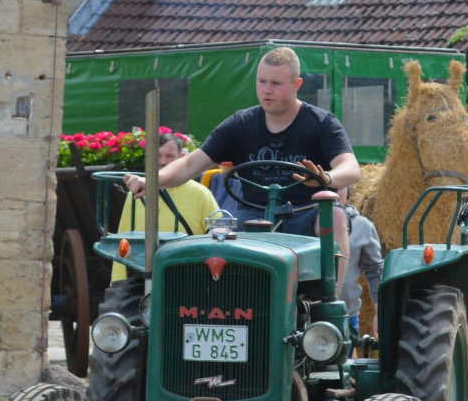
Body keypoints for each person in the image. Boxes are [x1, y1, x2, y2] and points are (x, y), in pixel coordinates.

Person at [123, 46, 361, 288]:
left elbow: (351, 169)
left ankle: (329, 304)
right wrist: (151, 180)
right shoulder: (240, 124)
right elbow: (189, 164)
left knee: (336, 217)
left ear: (296, 84)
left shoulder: (321, 123)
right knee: (212, 235)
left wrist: (327, 178)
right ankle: (204, 304)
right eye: (262, 81)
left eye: (276, 83)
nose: (267, 90)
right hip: (252, 216)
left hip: (303, 213)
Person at [111, 132, 218, 283]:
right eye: (157, 155)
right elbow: (123, 243)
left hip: (190, 278)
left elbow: (218, 240)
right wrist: (118, 284)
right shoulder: (136, 194)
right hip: (143, 277)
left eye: (169, 156)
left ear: (181, 157)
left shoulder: (201, 194)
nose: (162, 161)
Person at [339, 187, 383, 333]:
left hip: (346, 315)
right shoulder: (297, 222)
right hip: (300, 315)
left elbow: (374, 270)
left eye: (339, 187)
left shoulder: (362, 226)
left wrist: (380, 313)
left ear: (347, 189)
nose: (333, 192)